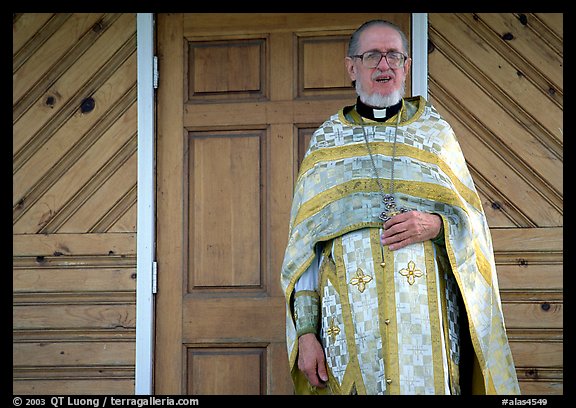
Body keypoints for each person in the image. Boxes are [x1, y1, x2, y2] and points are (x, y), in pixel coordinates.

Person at [280, 19, 520, 395]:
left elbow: (471, 221)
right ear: (351, 67)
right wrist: (307, 334)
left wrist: (436, 225)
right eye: (372, 55)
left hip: (425, 326)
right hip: (348, 323)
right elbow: (305, 253)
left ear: (407, 67)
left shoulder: (435, 133)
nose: (384, 65)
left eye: (394, 56)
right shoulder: (327, 141)